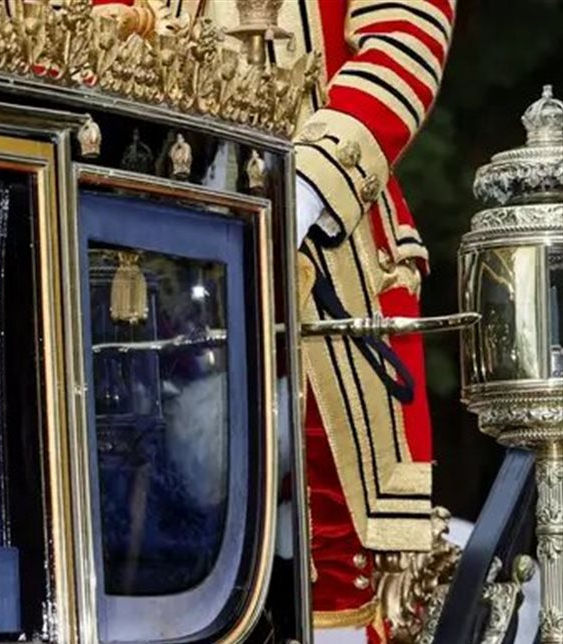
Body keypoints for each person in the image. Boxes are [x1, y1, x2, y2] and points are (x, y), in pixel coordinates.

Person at [92, 1, 454, 640]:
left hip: (332, 271)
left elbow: (405, 35)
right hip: (163, 264)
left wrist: (307, 185)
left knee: (345, 568)